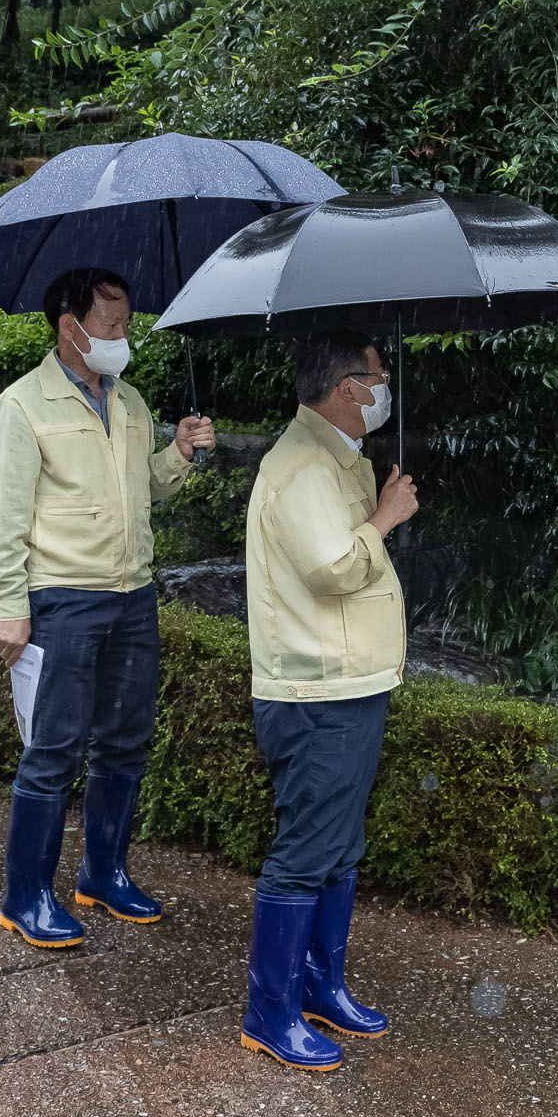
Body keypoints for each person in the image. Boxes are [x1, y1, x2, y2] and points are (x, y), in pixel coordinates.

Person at [0, 266, 216, 947]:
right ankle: (25, 897)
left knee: (125, 743)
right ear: (69, 326)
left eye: (126, 324)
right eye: (110, 325)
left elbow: (147, 488)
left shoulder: (132, 403)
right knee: (53, 751)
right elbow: (3, 518)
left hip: (132, 595)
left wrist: (180, 453)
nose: (123, 338)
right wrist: (10, 606)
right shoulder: (22, 408)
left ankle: (103, 873)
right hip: (63, 598)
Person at [236, 331, 418, 1070]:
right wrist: (385, 518)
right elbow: (334, 566)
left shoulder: (340, 457)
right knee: (306, 851)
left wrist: (378, 506)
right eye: (377, 375)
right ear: (347, 386)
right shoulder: (304, 465)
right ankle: (269, 1011)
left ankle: (320, 985)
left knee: (340, 845)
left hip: (350, 684)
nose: (383, 387)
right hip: (317, 691)